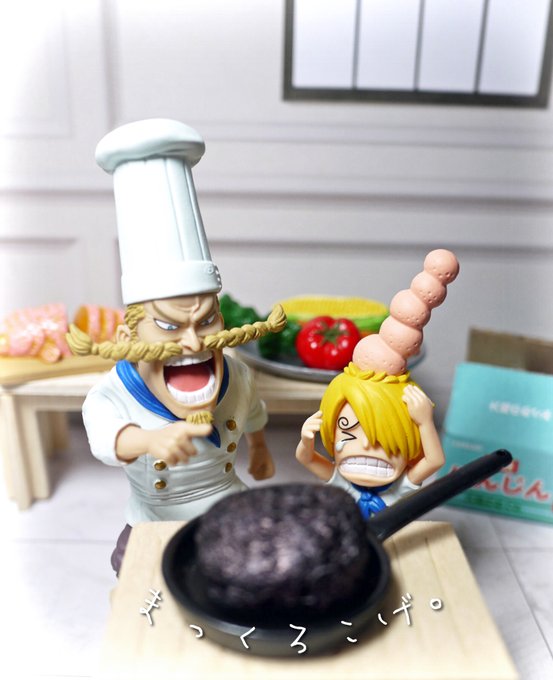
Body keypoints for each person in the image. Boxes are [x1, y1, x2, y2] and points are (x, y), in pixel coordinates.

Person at [67, 119, 284, 573]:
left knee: (254, 571)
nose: (192, 342)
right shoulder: (112, 393)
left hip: (227, 504)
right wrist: (150, 438)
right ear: (129, 339)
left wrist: (261, 451)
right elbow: (108, 441)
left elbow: (254, 413)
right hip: (155, 517)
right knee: (134, 571)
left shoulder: (237, 373)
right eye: (168, 326)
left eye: (206, 321)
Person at [296, 249, 459, 518]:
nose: (366, 447)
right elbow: (306, 458)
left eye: (384, 441)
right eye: (347, 432)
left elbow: (434, 460)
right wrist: (306, 440)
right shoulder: (340, 480)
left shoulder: (400, 486)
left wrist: (424, 423)